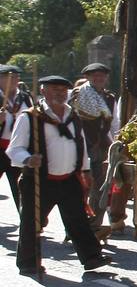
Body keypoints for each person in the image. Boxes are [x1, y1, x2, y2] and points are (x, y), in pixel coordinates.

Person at [6, 75, 110, 276]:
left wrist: (85, 171)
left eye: (63, 90)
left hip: (69, 179)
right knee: (31, 222)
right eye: (54, 89)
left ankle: (91, 257)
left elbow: (82, 147)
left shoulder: (73, 117)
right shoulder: (30, 117)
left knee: (78, 220)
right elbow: (14, 149)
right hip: (38, 181)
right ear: (43, 91)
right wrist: (28, 159)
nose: (59, 93)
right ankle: (28, 263)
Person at [73, 62, 120, 217]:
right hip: (81, 144)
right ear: (87, 77)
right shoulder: (78, 94)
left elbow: (113, 123)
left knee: (100, 185)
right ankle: (77, 221)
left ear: (106, 78)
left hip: (99, 145)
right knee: (80, 185)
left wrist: (116, 142)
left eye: (101, 75)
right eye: (95, 76)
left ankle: (95, 224)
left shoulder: (110, 98)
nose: (98, 78)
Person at [1, 64, 34, 207]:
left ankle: (25, 219)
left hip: (18, 147)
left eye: (16, 77)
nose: (14, 80)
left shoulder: (25, 97)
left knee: (20, 185)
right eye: (9, 77)